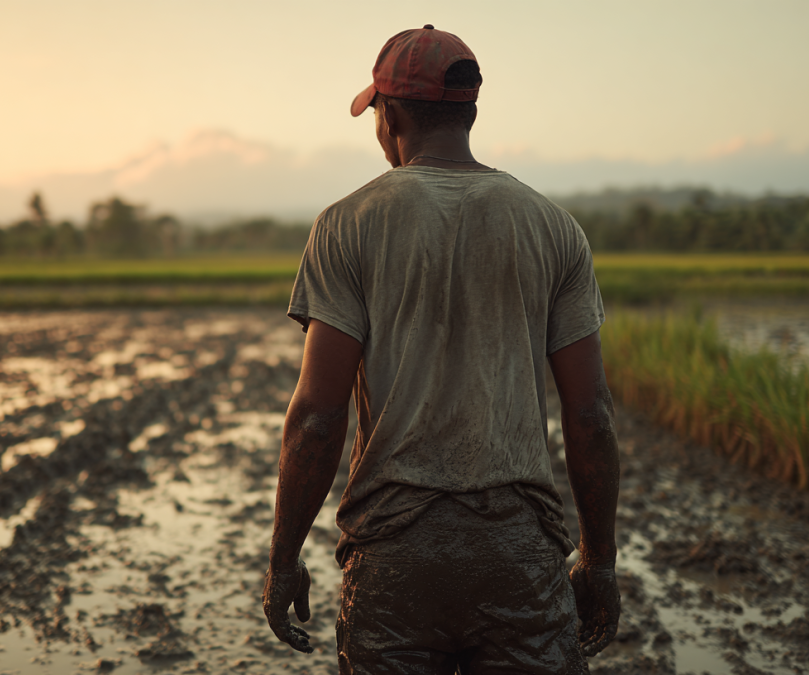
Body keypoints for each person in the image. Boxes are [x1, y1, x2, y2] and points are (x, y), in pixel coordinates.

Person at [262, 25, 620, 675]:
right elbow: (591, 414)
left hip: (394, 560)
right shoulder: (552, 227)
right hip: (520, 558)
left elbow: (316, 417)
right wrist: (599, 559)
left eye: (376, 113)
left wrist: (283, 561)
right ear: (470, 112)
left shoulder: (346, 224)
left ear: (390, 116)